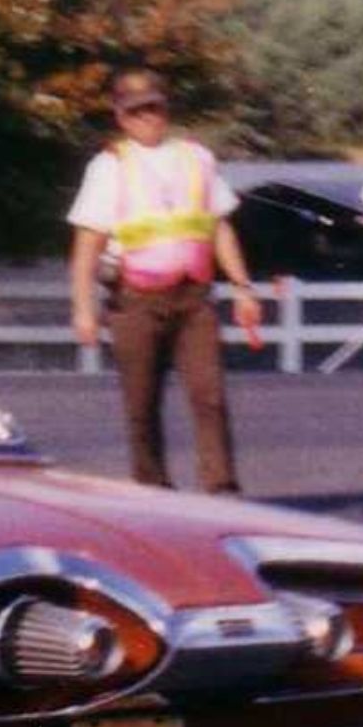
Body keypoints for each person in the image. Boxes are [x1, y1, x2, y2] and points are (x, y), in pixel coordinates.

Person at [68, 69, 263, 495]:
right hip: (135, 301)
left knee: (209, 395)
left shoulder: (197, 158)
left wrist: (243, 286)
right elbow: (87, 244)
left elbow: (219, 229)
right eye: (136, 111)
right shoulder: (109, 166)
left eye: (153, 107)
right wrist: (83, 308)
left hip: (193, 298)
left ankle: (221, 489)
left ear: (166, 107)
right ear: (121, 116)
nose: (147, 118)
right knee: (141, 404)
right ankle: (153, 490)